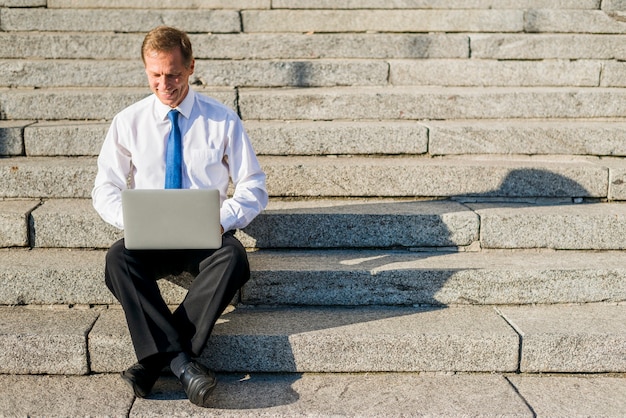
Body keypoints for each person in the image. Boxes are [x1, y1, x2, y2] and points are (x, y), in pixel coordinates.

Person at [91, 26, 268, 408]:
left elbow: (253, 185)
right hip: (150, 238)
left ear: (190, 68)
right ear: (145, 70)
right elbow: (104, 188)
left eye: (172, 74)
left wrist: (222, 220)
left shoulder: (222, 120)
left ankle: (154, 363)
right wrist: (133, 220)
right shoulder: (128, 122)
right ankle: (183, 363)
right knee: (117, 259)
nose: (164, 83)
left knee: (234, 257)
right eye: (155, 75)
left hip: (206, 237)